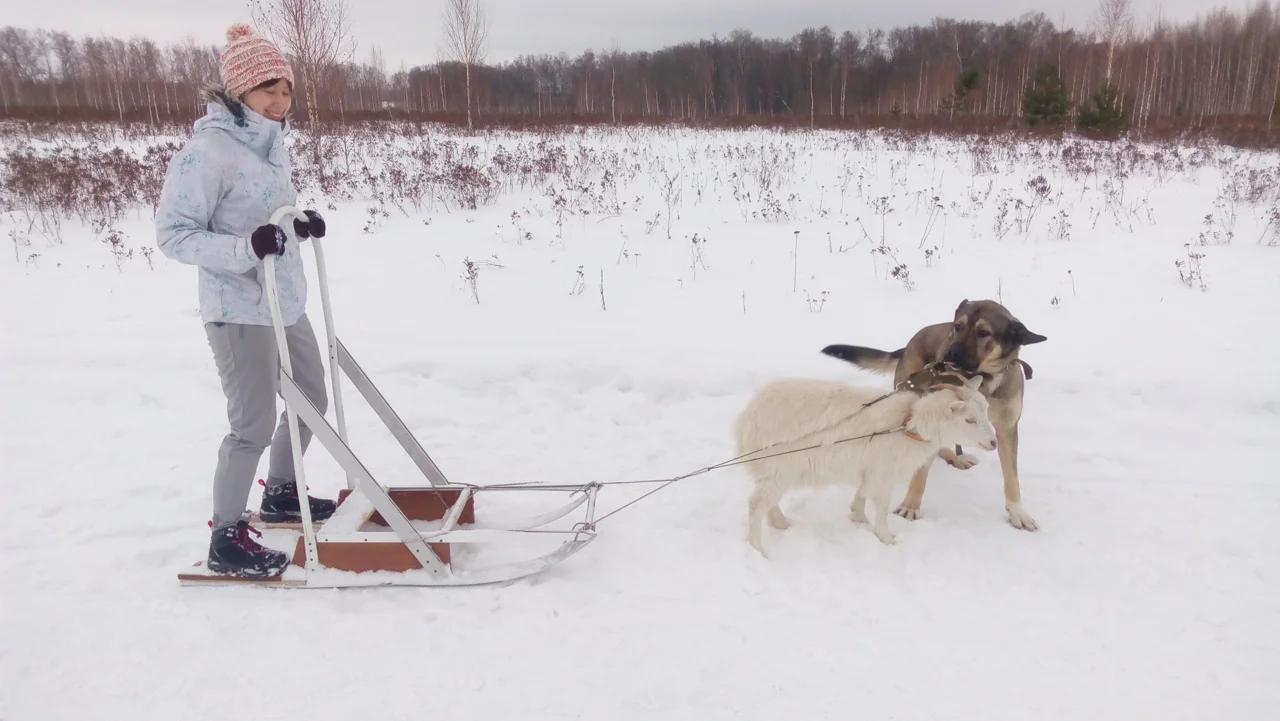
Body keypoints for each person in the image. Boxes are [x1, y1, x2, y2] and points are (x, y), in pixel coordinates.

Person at [155, 23, 337, 578]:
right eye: (267, 91)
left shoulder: (269, 144)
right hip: (235, 310)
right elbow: (174, 234)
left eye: (286, 90)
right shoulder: (206, 152)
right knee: (251, 425)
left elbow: (264, 212)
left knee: (312, 401)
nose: (280, 102)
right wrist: (244, 248)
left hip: (283, 301)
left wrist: (296, 223)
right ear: (239, 93)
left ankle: (281, 492)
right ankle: (226, 537)